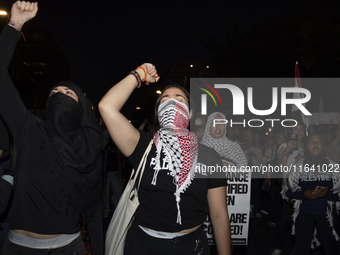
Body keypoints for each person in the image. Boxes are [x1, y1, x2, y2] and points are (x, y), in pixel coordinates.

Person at [0, 2, 104, 254]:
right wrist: (15, 24)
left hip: (68, 247)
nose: (59, 94)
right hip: (18, 247)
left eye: (69, 92)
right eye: (54, 92)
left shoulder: (87, 148)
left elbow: (94, 213)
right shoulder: (27, 127)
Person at [99, 64, 231, 255]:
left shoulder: (210, 156)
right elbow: (107, 106)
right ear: (158, 113)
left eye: (179, 98)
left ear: (190, 113)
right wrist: (140, 74)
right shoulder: (142, 145)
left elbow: (219, 216)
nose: (171, 101)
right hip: (144, 246)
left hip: (192, 247)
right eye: (165, 99)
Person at [285, 133, 340, 254]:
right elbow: (288, 190)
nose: (315, 144)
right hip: (305, 213)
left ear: (323, 145)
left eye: (319, 141)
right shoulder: (298, 165)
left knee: (330, 249)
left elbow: (338, 193)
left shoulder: (333, 166)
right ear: (306, 146)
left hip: (326, 216)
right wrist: (304, 194)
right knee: (301, 250)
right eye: (312, 142)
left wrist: (327, 193)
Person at [271, 123, 306, 255]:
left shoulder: (308, 147)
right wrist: (287, 151)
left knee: (302, 219)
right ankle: (277, 247)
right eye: (295, 129)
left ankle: (297, 249)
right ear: (290, 131)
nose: (298, 132)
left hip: (304, 187)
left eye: (301, 130)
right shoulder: (284, 146)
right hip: (289, 188)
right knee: (286, 218)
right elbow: (280, 169)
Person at [241, 129, 263, 218]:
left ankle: (257, 210)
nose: (249, 137)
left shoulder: (257, 147)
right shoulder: (241, 147)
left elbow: (261, 162)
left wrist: (254, 158)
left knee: (256, 192)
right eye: (247, 135)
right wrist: (247, 156)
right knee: (246, 192)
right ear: (244, 138)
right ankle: (246, 211)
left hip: (255, 172)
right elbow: (239, 161)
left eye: (251, 135)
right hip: (245, 172)